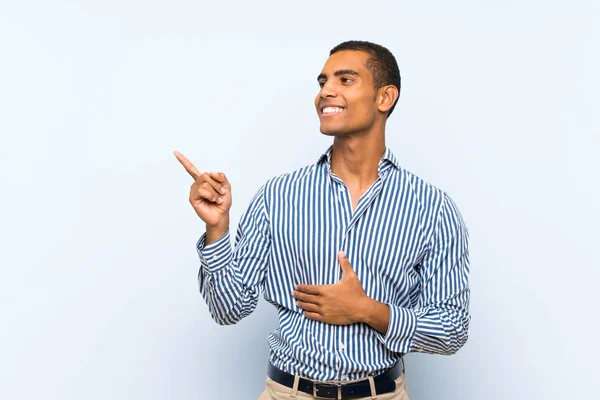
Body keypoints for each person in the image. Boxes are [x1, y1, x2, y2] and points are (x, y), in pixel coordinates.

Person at [174, 40, 470, 400]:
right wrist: (217, 229)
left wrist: (369, 310)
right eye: (322, 82)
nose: (325, 91)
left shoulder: (432, 209)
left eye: (345, 80)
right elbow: (228, 310)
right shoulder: (277, 197)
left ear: (384, 97)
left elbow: (452, 329)